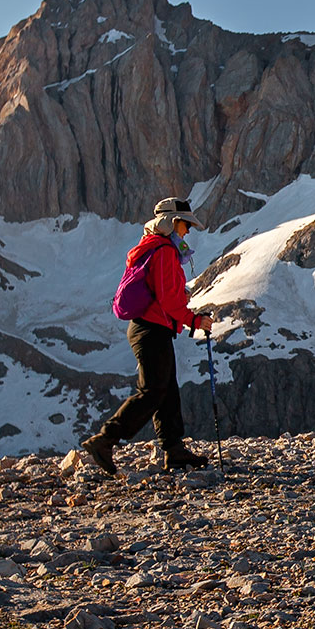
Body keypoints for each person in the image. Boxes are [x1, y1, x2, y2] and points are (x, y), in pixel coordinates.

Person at [81, 197, 215, 475]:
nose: (187, 232)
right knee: (153, 390)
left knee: (165, 389)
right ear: (171, 223)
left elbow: (164, 295)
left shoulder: (152, 249)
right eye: (184, 225)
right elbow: (168, 300)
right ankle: (105, 439)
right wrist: (194, 320)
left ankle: (174, 450)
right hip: (152, 330)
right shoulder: (165, 251)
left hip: (150, 329)